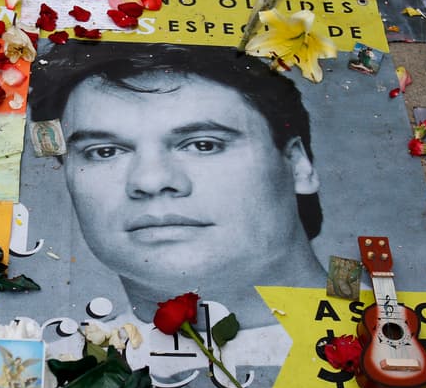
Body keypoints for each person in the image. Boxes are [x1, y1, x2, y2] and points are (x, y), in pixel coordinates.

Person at [28, 43, 327, 334]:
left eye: (204, 145)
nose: (150, 181)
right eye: (105, 152)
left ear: (298, 165)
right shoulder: (41, 369)